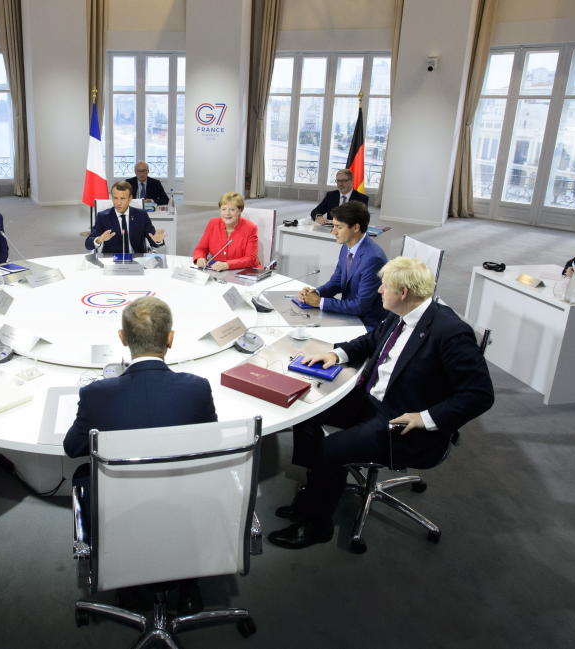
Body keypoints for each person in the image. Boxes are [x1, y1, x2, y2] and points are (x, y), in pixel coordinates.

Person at [268, 257, 494, 550]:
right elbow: (371, 340)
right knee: (307, 408)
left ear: (403, 292)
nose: (378, 291)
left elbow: (479, 394)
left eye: (384, 286)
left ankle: (316, 525)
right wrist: (337, 354)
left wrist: (425, 418)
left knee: (330, 451)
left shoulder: (450, 332)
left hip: (401, 419)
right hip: (371, 399)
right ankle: (315, 492)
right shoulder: (401, 313)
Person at [63, 296, 217, 614]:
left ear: (122, 339)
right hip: (186, 511)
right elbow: (210, 445)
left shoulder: (96, 395)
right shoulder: (197, 388)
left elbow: (72, 448)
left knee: (82, 476)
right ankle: (190, 587)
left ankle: (128, 587)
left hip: (121, 515)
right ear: (170, 339)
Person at [297, 200, 388, 330]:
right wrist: (315, 293)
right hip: (349, 315)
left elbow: (361, 305)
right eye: (333, 226)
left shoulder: (373, 259)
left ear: (356, 228)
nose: (333, 232)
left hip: (365, 323)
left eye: (339, 227)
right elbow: (337, 282)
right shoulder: (347, 247)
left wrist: (319, 302)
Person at [85, 181, 167, 254]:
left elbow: (153, 240)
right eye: (115, 198)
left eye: (122, 198)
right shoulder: (103, 216)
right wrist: (100, 239)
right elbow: (88, 244)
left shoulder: (141, 215)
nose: (118, 203)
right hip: (112, 260)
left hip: (137, 260)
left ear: (130, 198)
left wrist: (158, 240)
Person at [192, 192, 260, 271]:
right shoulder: (213, 223)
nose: (227, 213)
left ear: (240, 210)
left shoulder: (251, 228)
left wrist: (227, 265)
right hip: (217, 270)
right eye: (223, 209)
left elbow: (251, 259)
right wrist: (200, 258)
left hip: (243, 271)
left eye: (232, 210)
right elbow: (201, 248)